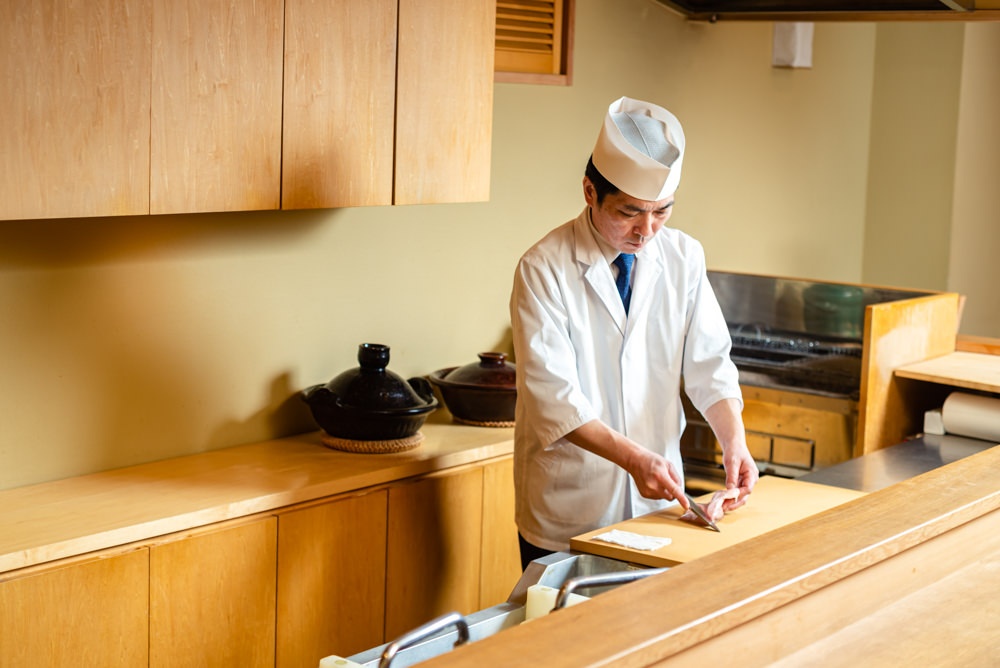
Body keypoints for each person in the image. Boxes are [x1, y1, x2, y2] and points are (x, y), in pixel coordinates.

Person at [509, 96, 759, 568]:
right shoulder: (543, 268)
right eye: (629, 212)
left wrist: (734, 443)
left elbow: (710, 364)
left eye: (662, 211)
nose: (647, 230)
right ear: (590, 191)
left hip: (655, 511)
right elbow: (553, 399)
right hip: (570, 509)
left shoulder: (684, 258)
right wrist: (633, 459)